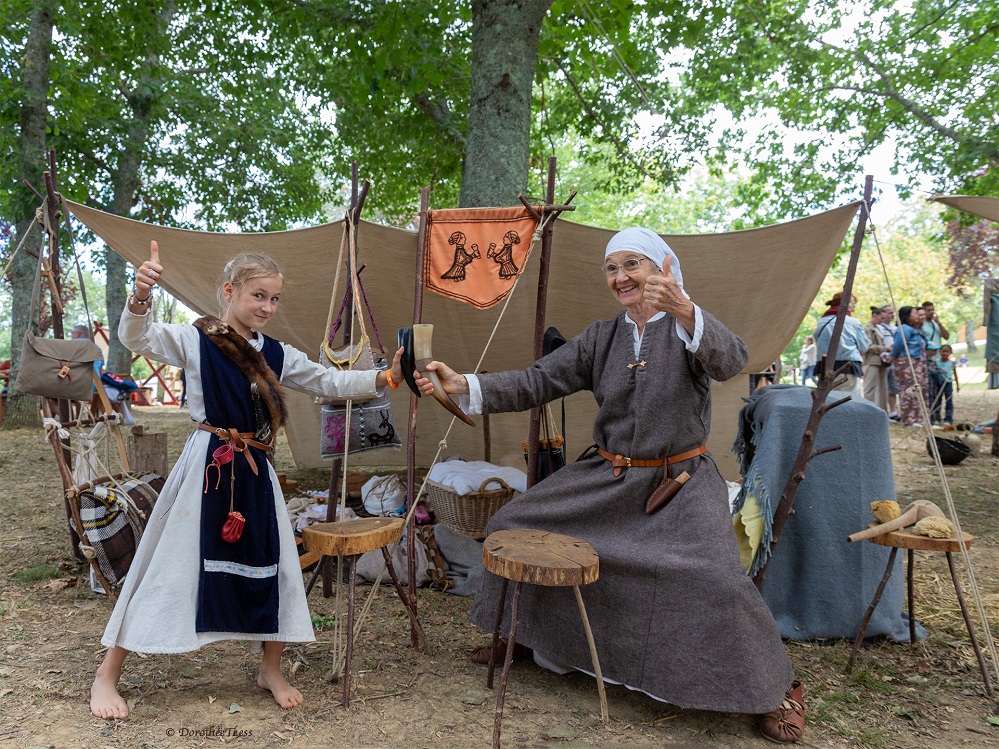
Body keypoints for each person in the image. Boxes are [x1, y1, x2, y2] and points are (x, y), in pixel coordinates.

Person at [421, 227, 804, 743]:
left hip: (680, 483)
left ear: (663, 269)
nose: (621, 277)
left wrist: (687, 310)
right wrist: (464, 384)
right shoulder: (602, 337)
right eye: (612, 268)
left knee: (715, 577)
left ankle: (774, 688)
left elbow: (733, 360)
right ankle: (523, 635)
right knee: (513, 523)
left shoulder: (686, 329)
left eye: (633, 264)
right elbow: (537, 381)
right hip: (609, 478)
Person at [90, 243, 426, 720]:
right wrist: (140, 295)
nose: (267, 308)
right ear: (229, 291)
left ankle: (271, 667)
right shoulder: (196, 339)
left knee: (277, 564)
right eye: (258, 296)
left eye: (274, 299)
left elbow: (328, 382)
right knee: (169, 565)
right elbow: (137, 338)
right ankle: (107, 674)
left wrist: (386, 377)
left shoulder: (277, 354)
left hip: (256, 470)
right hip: (207, 467)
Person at [813, 292, 868, 399]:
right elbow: (864, 346)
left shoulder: (821, 322)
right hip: (847, 367)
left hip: (824, 368)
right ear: (845, 304)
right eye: (852, 302)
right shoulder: (853, 322)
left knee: (829, 400)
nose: (854, 305)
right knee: (852, 401)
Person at [890, 306, 927, 426]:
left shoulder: (914, 329)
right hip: (906, 362)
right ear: (907, 316)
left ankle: (917, 418)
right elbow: (898, 345)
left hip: (916, 363)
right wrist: (891, 356)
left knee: (915, 389)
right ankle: (908, 418)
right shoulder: (904, 329)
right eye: (915, 313)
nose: (918, 316)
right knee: (908, 389)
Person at [921, 302, 950, 424]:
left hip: (938, 361)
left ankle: (938, 416)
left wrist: (938, 323)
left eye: (933, 309)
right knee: (930, 390)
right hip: (927, 360)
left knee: (939, 390)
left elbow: (946, 336)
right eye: (928, 310)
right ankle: (932, 416)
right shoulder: (922, 325)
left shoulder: (935, 324)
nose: (931, 312)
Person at [862, 306, 892, 412]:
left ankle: (882, 411)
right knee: (870, 388)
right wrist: (885, 348)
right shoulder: (867, 329)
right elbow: (868, 346)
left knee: (883, 389)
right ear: (875, 316)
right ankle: (867, 410)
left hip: (881, 362)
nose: (882, 321)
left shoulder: (879, 329)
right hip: (872, 361)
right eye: (881, 318)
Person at [877, 305, 900, 418]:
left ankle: (893, 411)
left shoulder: (895, 328)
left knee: (893, 387)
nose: (892, 315)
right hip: (882, 360)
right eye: (889, 312)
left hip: (894, 361)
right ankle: (882, 409)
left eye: (893, 313)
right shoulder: (878, 328)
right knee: (882, 386)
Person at [934, 344, 959, 425]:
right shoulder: (936, 362)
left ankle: (948, 419)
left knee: (949, 401)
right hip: (938, 384)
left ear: (950, 353)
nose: (945, 353)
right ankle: (937, 418)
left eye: (947, 351)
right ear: (940, 352)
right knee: (938, 401)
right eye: (943, 351)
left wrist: (957, 385)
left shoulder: (951, 363)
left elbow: (955, 374)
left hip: (948, 383)